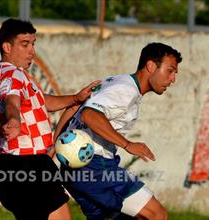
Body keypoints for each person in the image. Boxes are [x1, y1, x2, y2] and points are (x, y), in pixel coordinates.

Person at [0, 18, 100, 220]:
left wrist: (74, 98)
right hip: (28, 165)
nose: (32, 51)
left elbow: (38, 101)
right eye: (25, 44)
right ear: (7, 47)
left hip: (7, 166)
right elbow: (13, 101)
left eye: (33, 44)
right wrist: (14, 119)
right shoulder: (13, 75)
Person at [54, 42, 182, 220]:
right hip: (95, 167)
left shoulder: (114, 81)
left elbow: (75, 107)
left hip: (74, 171)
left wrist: (56, 145)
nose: (173, 79)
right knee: (157, 215)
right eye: (170, 70)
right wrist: (127, 145)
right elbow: (89, 115)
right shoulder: (126, 90)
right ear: (151, 66)